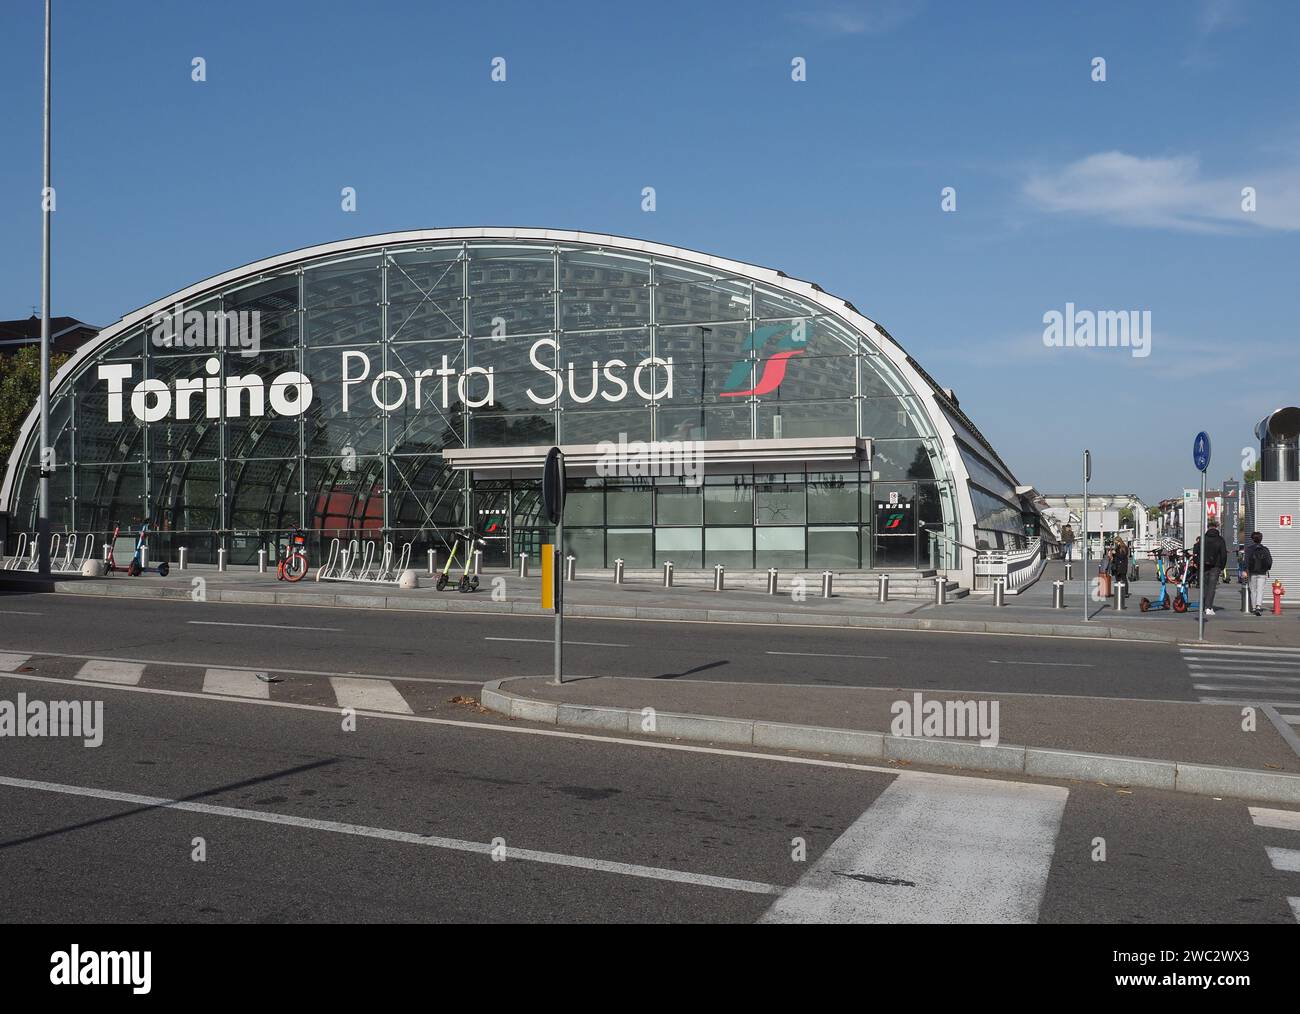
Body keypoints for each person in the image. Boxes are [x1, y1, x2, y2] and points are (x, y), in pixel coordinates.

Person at [1243, 532, 1273, 616]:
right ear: (1261, 539)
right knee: (1260, 590)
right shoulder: (1265, 549)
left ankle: (1253, 607)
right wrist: (1267, 568)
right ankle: (1258, 606)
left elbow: (1246, 560)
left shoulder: (1249, 549)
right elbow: (1269, 561)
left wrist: (1245, 570)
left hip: (1252, 572)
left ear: (1252, 539)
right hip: (1262, 572)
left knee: (1253, 590)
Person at [1201, 521, 1227, 616]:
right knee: (1212, 587)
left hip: (1204, 565)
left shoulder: (1203, 538)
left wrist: (1198, 563)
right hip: (1216, 566)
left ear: (1208, 527)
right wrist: (1222, 566)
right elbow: (1223, 554)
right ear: (1216, 527)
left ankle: (1204, 605)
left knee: (1205, 586)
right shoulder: (1220, 539)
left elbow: (1197, 551)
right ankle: (1208, 607)